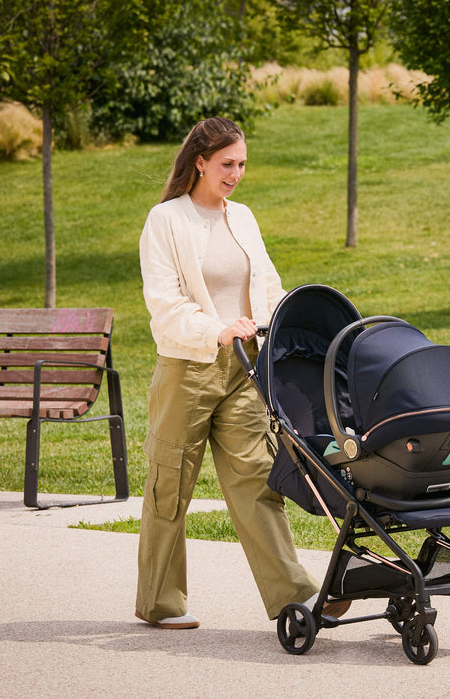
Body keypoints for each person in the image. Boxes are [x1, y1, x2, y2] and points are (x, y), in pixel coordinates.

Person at [135, 117, 348, 629]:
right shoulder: (166, 220)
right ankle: (159, 603)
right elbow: (165, 304)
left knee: (256, 477)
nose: (235, 174)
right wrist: (217, 329)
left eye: (242, 164)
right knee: (170, 485)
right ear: (200, 162)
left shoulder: (244, 218)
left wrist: (291, 321)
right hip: (188, 369)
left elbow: (269, 286)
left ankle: (295, 597)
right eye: (226, 164)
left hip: (246, 367)